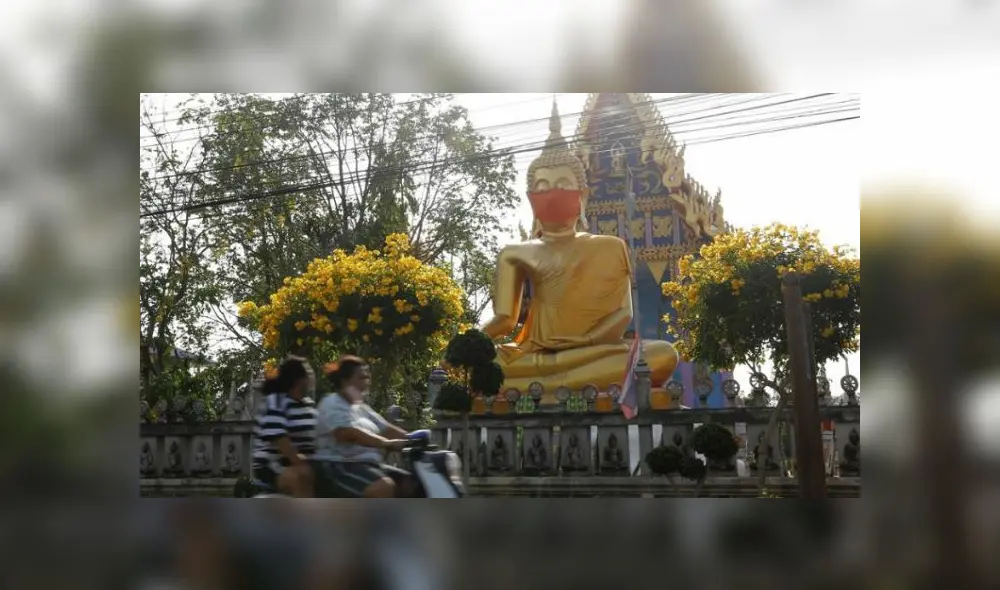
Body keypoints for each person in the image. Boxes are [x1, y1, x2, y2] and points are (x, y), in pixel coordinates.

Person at [313, 356, 414, 498]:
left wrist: (412, 438)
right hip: (338, 465)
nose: (366, 383)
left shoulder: (361, 408)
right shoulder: (332, 403)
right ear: (345, 380)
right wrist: (385, 443)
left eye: (367, 378)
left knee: (408, 482)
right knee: (383, 486)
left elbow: (387, 429)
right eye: (361, 378)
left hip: (365, 465)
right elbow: (346, 433)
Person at [251, 356, 317, 497]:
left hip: (301, 462)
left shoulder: (308, 404)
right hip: (273, 465)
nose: (313, 377)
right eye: (309, 373)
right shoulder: (276, 401)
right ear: (300, 379)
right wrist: (301, 463)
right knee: (301, 476)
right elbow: (279, 439)